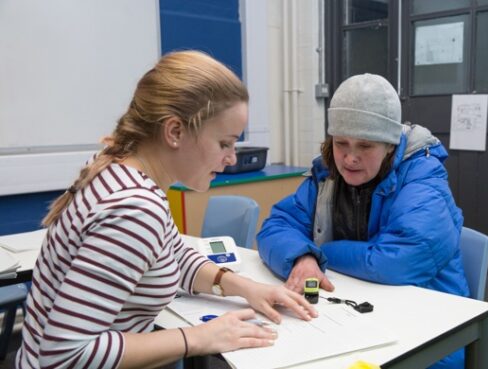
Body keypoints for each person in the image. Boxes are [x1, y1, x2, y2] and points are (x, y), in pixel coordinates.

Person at [15, 50, 317, 369]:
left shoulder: (120, 170)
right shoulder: (135, 209)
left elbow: (174, 254)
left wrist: (246, 287)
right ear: (175, 132)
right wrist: (198, 338)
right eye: (224, 143)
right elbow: (64, 354)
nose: (231, 158)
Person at [257, 73, 469, 369]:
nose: (350, 158)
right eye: (341, 143)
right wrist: (303, 257)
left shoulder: (423, 176)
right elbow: (277, 226)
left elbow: (397, 261)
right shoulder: (326, 174)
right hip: (357, 316)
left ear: (390, 145)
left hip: (430, 334)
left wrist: (321, 253)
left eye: (366, 146)